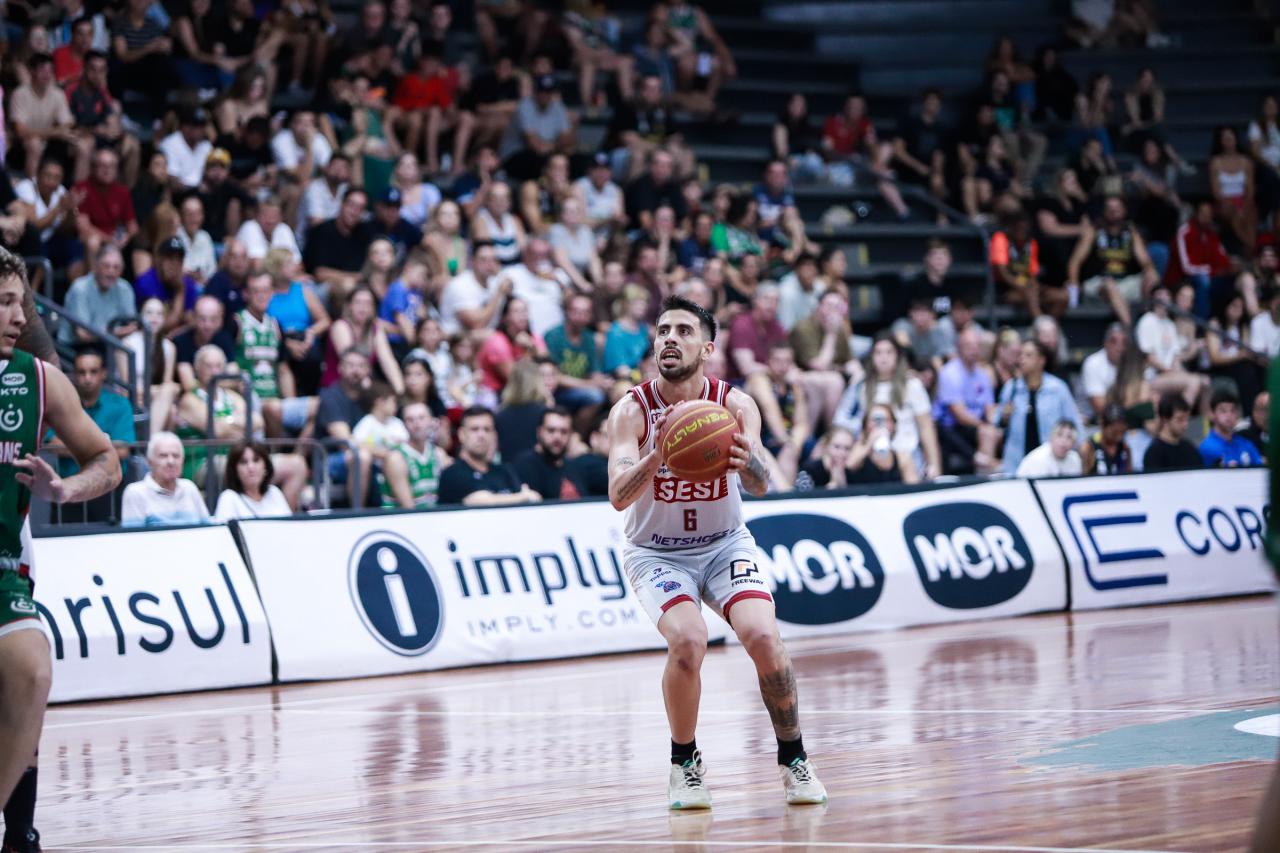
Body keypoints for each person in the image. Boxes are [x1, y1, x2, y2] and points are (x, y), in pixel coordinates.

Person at [605, 294, 827, 810]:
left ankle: (794, 758)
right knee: (688, 641)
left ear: (707, 348)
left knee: (763, 636)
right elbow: (618, 496)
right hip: (656, 552)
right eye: (662, 331)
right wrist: (658, 453)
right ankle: (685, 764)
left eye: (683, 331)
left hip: (723, 544)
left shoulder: (736, 405)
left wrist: (748, 462)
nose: (669, 339)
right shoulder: (630, 412)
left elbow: (765, 484)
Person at [0, 249, 121, 853]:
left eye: (20, 302)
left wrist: (65, 487)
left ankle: (18, 831)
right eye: (6, 303)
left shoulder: (35, 371)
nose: (18, 314)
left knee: (28, 677)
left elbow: (106, 459)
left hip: (5, 549)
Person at [1066, 195, 1158, 325]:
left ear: (1124, 210)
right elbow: (1075, 261)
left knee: (1152, 276)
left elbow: (1145, 261)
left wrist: (1149, 272)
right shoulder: (1094, 230)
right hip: (1098, 283)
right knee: (1110, 285)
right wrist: (1074, 289)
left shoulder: (1130, 231)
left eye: (1117, 208)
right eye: (1110, 208)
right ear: (1104, 211)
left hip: (1124, 283)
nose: (1113, 211)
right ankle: (1131, 330)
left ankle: (1148, 322)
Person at [997, 339, 1083, 474]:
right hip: (1016, 463)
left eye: (1028, 355)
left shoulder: (1057, 388)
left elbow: (1074, 424)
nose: (1022, 360)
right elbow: (998, 423)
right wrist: (1004, 417)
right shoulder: (1011, 388)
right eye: (1021, 355)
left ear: (1041, 360)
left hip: (1050, 465)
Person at [438, 406, 541, 506]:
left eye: (487, 429)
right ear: (461, 434)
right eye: (474, 429)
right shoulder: (452, 474)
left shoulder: (504, 471)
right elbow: (479, 502)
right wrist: (523, 497)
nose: (481, 435)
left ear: (494, 435)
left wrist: (525, 496)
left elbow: (534, 498)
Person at [120, 431, 209, 526]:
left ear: (182, 461)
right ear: (150, 462)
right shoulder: (136, 493)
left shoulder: (189, 487)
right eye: (163, 456)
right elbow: (133, 537)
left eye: (176, 456)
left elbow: (208, 528)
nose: (171, 461)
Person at [380, 402, 450, 509]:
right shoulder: (396, 458)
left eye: (421, 418)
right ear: (404, 425)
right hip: (402, 520)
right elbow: (408, 507)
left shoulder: (439, 454)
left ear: (432, 421)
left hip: (435, 518)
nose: (417, 423)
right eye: (410, 419)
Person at [513, 407, 585, 500]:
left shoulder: (574, 466)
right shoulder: (524, 466)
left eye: (564, 431)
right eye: (551, 430)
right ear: (539, 432)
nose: (557, 437)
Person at [214, 441, 292, 521]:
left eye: (256, 460)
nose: (251, 467)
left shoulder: (274, 492)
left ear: (266, 467)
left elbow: (290, 527)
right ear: (234, 470)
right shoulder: (229, 497)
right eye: (243, 462)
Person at [1200, 389, 1263, 468]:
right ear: (1213, 415)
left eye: (1233, 410)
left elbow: (1261, 467)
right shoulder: (1207, 447)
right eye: (1223, 411)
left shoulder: (1246, 444)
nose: (1229, 415)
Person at [1143, 393, 1203, 472]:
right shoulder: (1154, 453)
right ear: (1165, 418)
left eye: (1187, 419)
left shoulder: (1189, 448)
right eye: (1180, 419)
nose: (1185, 424)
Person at [1081, 323, 1126, 420]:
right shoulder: (1093, 363)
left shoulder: (1132, 363)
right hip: (1093, 420)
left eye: (1123, 342)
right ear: (1106, 344)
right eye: (1114, 342)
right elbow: (1100, 407)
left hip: (1124, 420)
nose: (1119, 348)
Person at [1015, 419, 1083, 478]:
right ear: (1051, 437)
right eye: (1059, 435)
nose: (1063, 441)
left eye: (1069, 437)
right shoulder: (1039, 459)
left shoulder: (1075, 459)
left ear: (1074, 443)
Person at [1080, 403, 1133, 475]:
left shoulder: (1125, 448)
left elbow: (1131, 477)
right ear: (1102, 425)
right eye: (1114, 433)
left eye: (1122, 432)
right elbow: (1082, 480)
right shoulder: (1088, 448)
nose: (1119, 438)